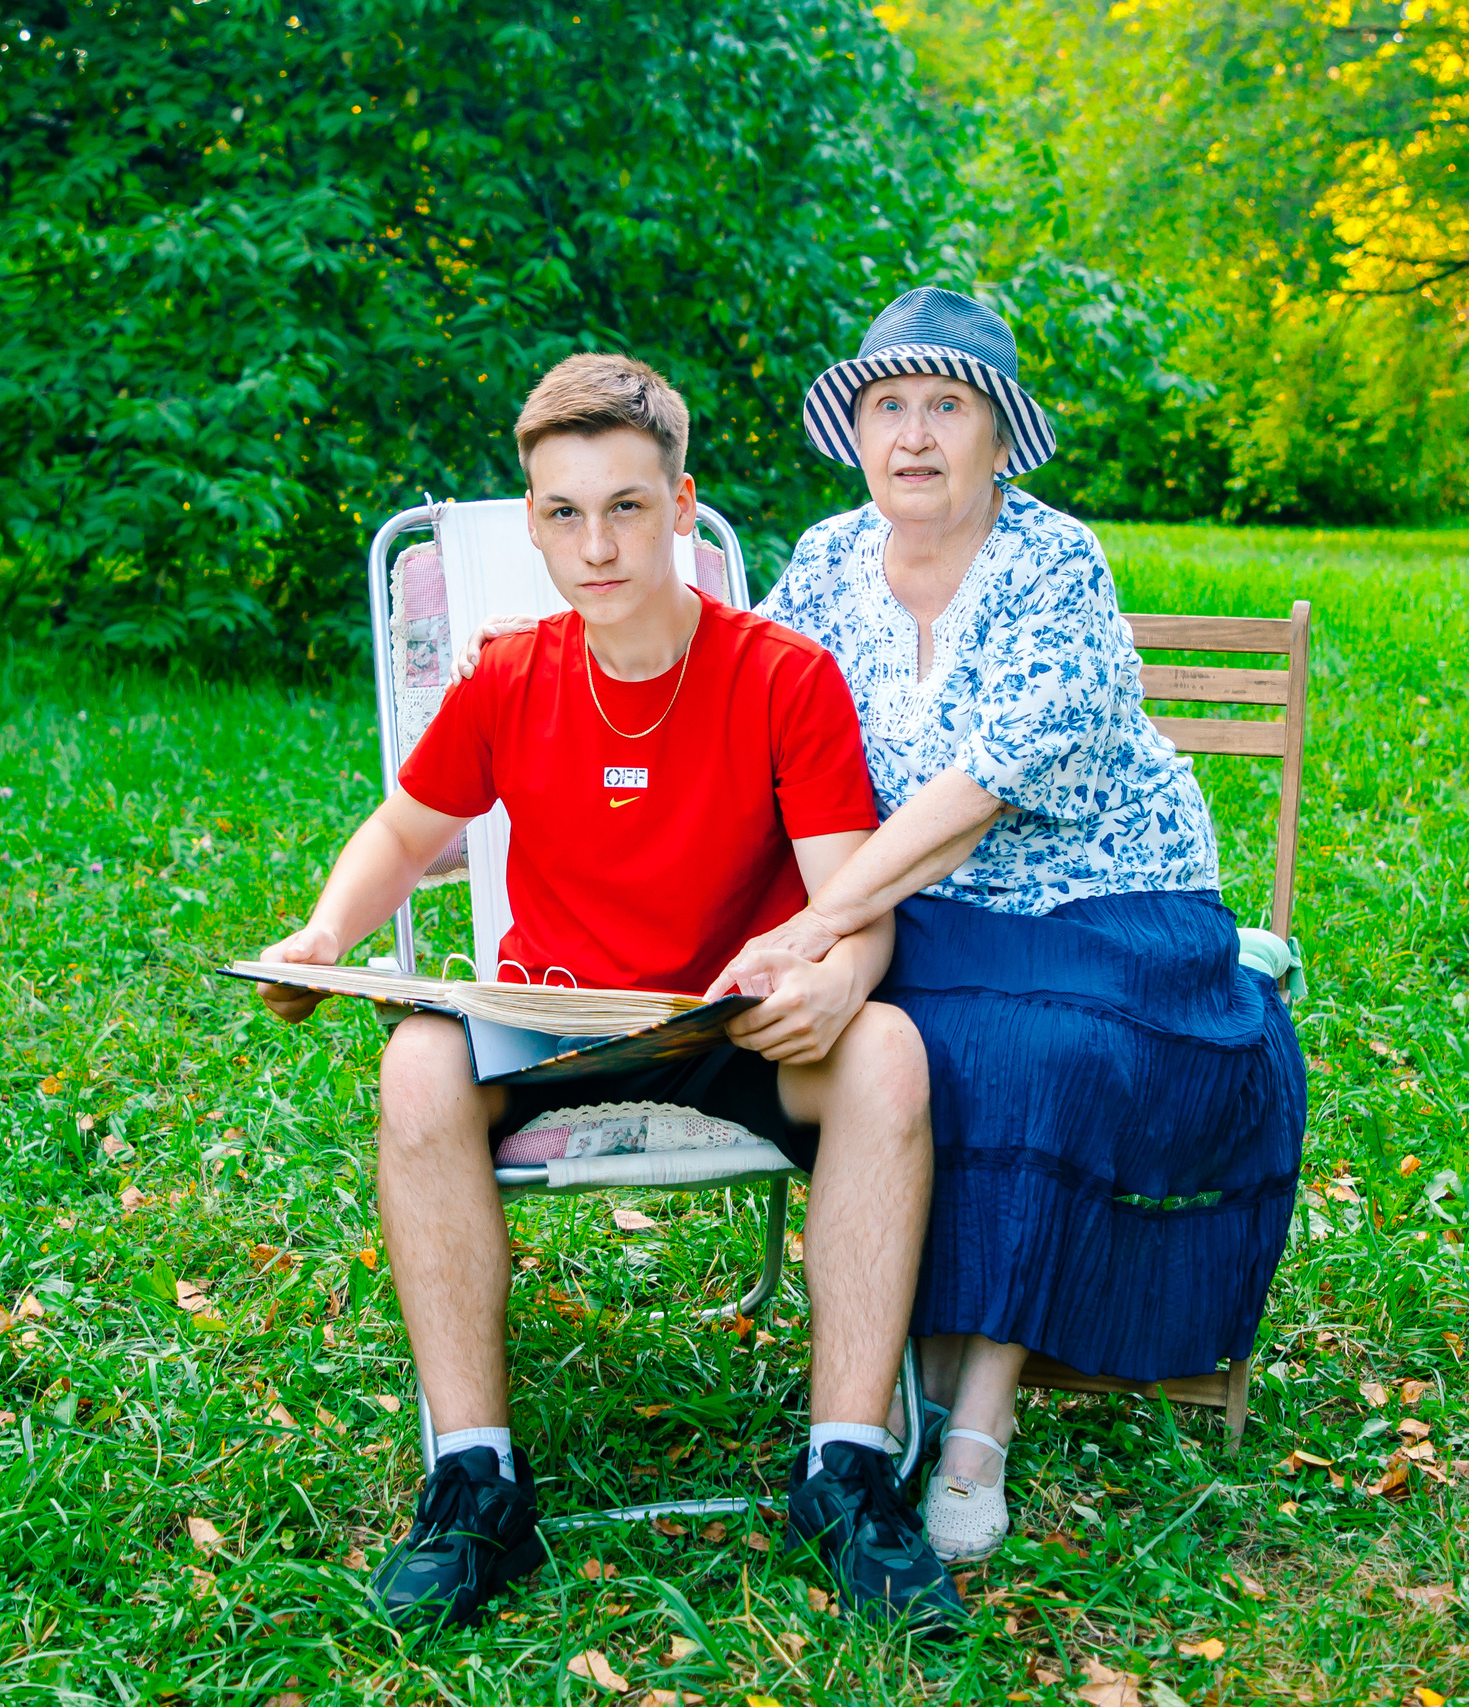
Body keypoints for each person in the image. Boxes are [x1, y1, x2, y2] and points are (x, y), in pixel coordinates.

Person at [457, 291, 1307, 1566]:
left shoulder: (1055, 562)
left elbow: (975, 799)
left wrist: (815, 924)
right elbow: (738, 716)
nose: (913, 435)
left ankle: (975, 1420)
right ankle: (904, 1370)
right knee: (899, 1041)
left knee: (1027, 1054)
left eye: (947, 407)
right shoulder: (825, 562)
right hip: (919, 907)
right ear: (855, 434)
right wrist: (555, 669)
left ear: (999, 438)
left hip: (1098, 897)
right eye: (887, 406)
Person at [255, 353, 964, 1635]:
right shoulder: (507, 675)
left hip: (731, 1023)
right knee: (417, 1060)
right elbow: (404, 835)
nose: (596, 546)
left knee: (890, 1050)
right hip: (556, 1019)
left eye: (627, 507)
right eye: (564, 513)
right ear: (533, 521)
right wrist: (321, 931)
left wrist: (838, 984)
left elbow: (853, 902)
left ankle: (848, 1472)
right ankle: (474, 1480)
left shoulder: (782, 674)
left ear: (681, 507)